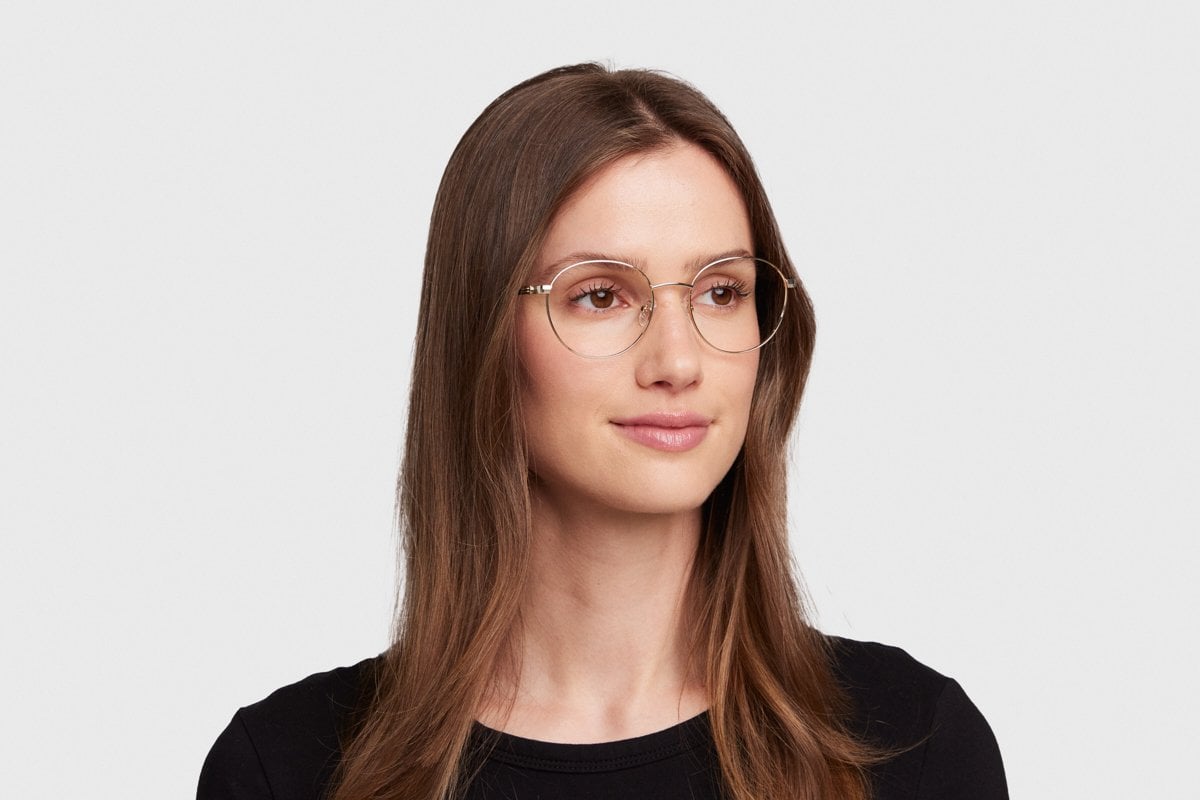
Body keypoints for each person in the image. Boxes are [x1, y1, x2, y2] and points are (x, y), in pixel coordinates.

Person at [198, 63, 1007, 800]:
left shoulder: (912, 747)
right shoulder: (288, 771)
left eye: (721, 291)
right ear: (483, 337)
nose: (679, 361)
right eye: (600, 295)